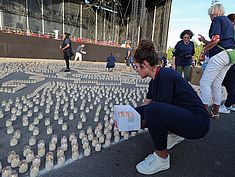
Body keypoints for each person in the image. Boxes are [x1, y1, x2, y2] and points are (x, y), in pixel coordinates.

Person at [133, 39, 210, 175]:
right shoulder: (154, 80)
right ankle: (176, 134)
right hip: (186, 116)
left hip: (198, 123)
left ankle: (161, 158)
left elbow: (155, 114)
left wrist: (133, 124)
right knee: (151, 110)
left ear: (144, 64)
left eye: (136, 67)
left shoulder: (165, 76)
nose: (136, 70)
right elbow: (145, 106)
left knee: (154, 111)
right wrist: (127, 114)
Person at [198, 4, 235, 119]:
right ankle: (215, 112)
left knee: (204, 83)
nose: (210, 17)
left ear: (214, 12)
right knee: (216, 84)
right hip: (231, 54)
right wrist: (205, 41)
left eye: (210, 14)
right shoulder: (229, 22)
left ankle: (202, 113)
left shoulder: (217, 19)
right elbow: (223, 40)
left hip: (221, 55)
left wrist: (204, 51)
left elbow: (216, 40)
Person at [219, 13, 235, 113]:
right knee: (231, 82)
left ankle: (227, 105)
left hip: (232, 60)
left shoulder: (232, 32)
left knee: (230, 82)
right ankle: (232, 104)